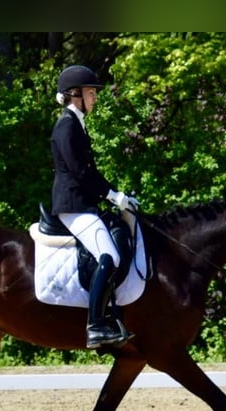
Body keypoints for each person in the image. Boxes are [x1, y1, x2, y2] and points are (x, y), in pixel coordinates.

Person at [50, 64, 139, 349]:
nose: (95, 98)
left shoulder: (77, 123)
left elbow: (91, 172)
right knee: (109, 256)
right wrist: (113, 196)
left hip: (83, 203)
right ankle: (95, 325)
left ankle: (111, 316)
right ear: (75, 94)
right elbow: (80, 172)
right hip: (72, 205)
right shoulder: (67, 125)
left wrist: (118, 194)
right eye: (91, 93)